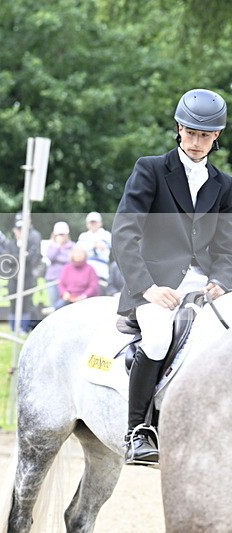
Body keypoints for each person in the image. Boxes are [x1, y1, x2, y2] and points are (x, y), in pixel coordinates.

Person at [113, 88, 232, 465]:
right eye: (191, 133)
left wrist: (223, 281)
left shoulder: (225, 185)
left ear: (217, 137)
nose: (197, 142)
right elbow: (125, 232)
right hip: (156, 284)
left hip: (204, 285)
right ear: (179, 129)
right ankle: (138, 431)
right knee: (160, 336)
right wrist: (147, 288)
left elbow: (228, 247)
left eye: (205, 135)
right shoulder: (150, 169)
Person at [6, 212, 44, 332]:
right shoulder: (11, 241)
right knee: (13, 302)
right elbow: (8, 258)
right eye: (18, 228)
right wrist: (21, 251)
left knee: (26, 303)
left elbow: (33, 257)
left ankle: (23, 328)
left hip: (28, 275)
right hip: (13, 276)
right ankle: (13, 328)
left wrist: (23, 250)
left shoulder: (34, 236)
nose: (20, 231)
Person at [77, 211, 112, 290]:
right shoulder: (83, 236)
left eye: (95, 222)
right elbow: (80, 250)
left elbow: (103, 246)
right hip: (85, 270)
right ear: (87, 224)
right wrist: (94, 245)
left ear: (100, 223)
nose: (93, 224)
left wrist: (89, 245)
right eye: (91, 222)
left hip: (101, 270)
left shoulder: (106, 234)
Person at [45, 221, 74, 307]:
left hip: (68, 281)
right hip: (53, 279)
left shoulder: (72, 246)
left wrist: (59, 258)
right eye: (59, 234)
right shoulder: (51, 246)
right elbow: (50, 257)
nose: (61, 236)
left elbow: (71, 259)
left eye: (62, 234)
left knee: (65, 305)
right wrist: (57, 246)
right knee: (54, 305)